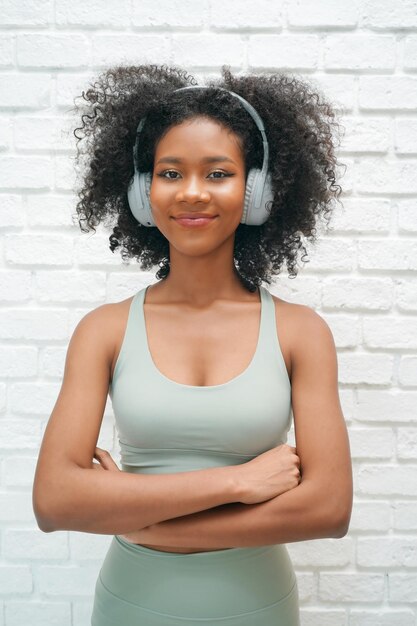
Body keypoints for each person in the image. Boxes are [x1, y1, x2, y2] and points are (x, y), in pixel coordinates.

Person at [32, 63, 353, 625]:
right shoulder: (103, 330)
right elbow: (54, 500)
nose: (193, 193)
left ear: (256, 191)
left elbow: (328, 509)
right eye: (171, 172)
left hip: (256, 605)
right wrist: (237, 482)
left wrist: (140, 520)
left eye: (219, 173)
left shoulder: (301, 332)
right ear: (142, 190)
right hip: (133, 603)